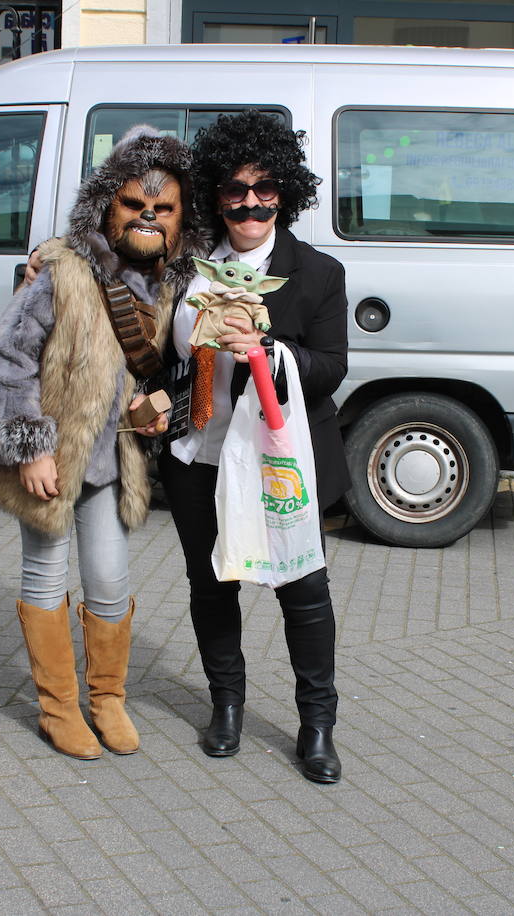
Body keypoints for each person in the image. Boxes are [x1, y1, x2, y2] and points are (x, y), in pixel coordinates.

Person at [0, 125, 204, 760]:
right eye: (134, 203)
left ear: (180, 219)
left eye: (163, 207)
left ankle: (108, 700)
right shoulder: (61, 269)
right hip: (52, 454)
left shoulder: (175, 282)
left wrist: (157, 404)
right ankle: (58, 710)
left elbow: (161, 364)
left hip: (111, 459)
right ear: (106, 205)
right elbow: (9, 356)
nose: (148, 215)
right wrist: (29, 448)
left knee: (110, 579)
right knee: (44, 571)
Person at [159, 110, 350, 784]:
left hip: (280, 462)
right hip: (197, 459)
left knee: (303, 591)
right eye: (236, 188)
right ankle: (227, 706)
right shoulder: (185, 270)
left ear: (284, 193)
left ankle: (317, 725)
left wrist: (270, 350)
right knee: (212, 588)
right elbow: (155, 347)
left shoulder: (319, 274)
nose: (250, 201)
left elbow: (332, 366)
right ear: (216, 194)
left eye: (265, 187)